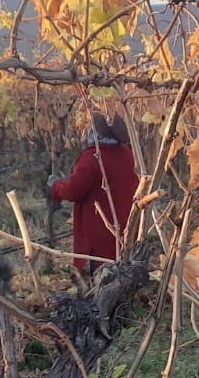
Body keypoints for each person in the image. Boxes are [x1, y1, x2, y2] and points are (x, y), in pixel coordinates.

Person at [49, 110, 138, 271]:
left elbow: (72, 190)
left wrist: (55, 186)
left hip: (98, 235)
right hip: (125, 230)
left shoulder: (92, 158)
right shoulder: (128, 155)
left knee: (100, 280)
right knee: (121, 276)